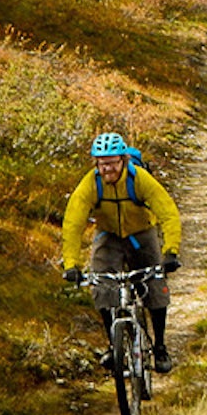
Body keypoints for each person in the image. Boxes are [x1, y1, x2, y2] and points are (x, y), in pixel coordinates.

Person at [61, 132, 182, 374]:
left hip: (141, 234)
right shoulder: (90, 184)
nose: (107, 169)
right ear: (96, 164)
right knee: (102, 287)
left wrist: (170, 251)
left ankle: (159, 347)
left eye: (112, 162)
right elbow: (72, 224)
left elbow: (168, 212)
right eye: (102, 163)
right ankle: (112, 344)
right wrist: (71, 264)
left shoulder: (140, 179)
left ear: (123, 160)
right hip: (109, 235)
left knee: (155, 288)